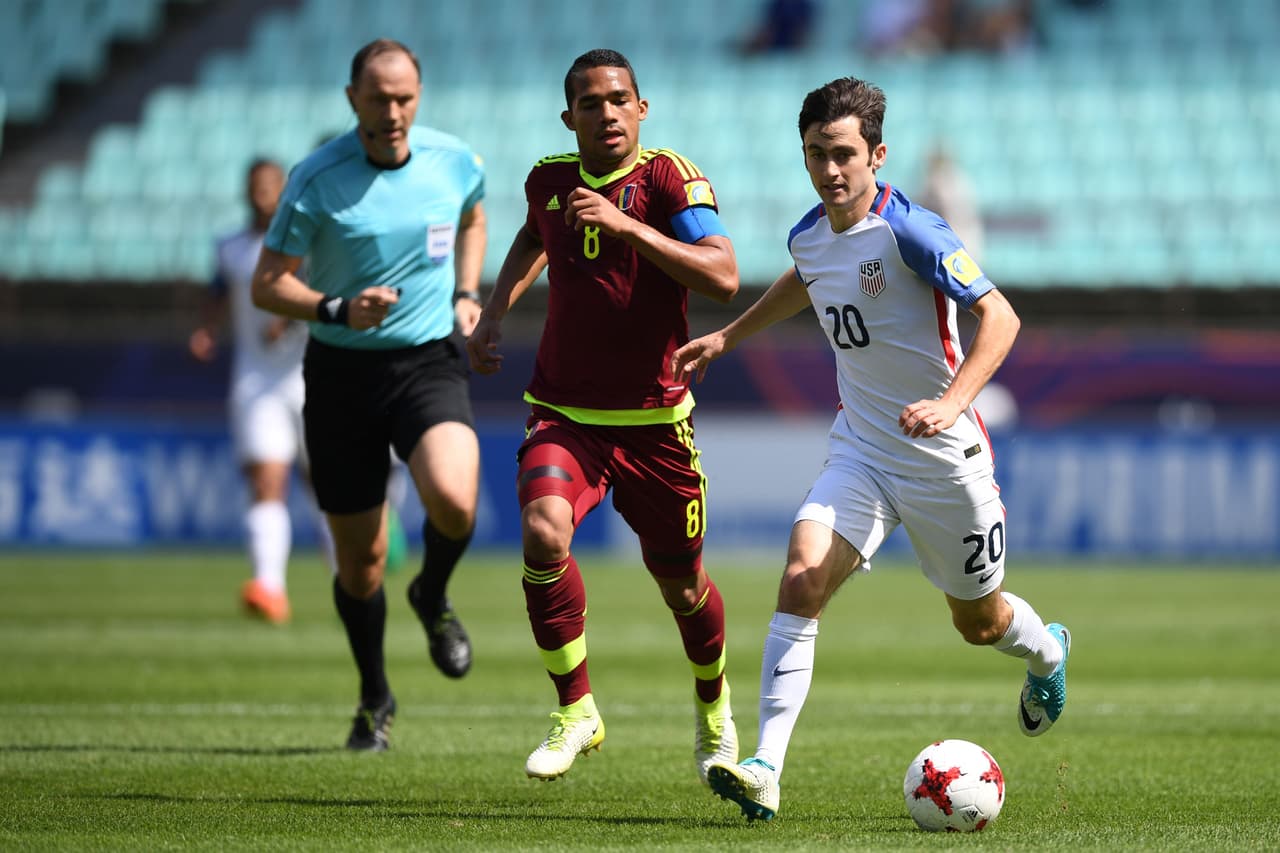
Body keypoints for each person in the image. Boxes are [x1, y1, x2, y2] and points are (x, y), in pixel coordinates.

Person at [672, 77, 1070, 821]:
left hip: (944, 459)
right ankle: (765, 768)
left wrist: (952, 402)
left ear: (877, 155)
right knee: (800, 578)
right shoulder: (808, 234)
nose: (830, 171)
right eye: (816, 154)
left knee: (978, 624)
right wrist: (730, 335)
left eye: (845, 154)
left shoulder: (913, 233)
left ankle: (1048, 651)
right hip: (860, 446)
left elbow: (1002, 319)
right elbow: (809, 275)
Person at [466, 49, 741, 784]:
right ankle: (576, 708)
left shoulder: (669, 180)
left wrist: (630, 232)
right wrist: (495, 312)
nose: (608, 112)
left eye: (620, 99)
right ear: (571, 117)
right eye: (591, 103)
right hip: (565, 412)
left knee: (683, 587)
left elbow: (723, 271)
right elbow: (533, 236)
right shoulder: (549, 181)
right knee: (540, 530)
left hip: (656, 424)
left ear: (641, 109)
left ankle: (715, 715)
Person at [251, 38, 486, 751]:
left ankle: (433, 594)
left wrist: (468, 292)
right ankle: (374, 698)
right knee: (362, 563)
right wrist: (335, 308)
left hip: (427, 362)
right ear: (352, 98)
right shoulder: (314, 179)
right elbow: (267, 283)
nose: (393, 111)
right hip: (342, 372)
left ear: (420, 96)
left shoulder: (455, 160)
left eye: (405, 97)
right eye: (379, 98)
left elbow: (473, 214)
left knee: (455, 497)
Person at [189, 157, 330, 624]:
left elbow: (327, 289)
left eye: (272, 185)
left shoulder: (310, 240)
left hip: (313, 378)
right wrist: (207, 329)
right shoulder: (231, 247)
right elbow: (217, 292)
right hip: (257, 382)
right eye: (256, 185)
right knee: (267, 480)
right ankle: (269, 587)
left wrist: (288, 317)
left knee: (328, 488)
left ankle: (348, 585)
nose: (263, 193)